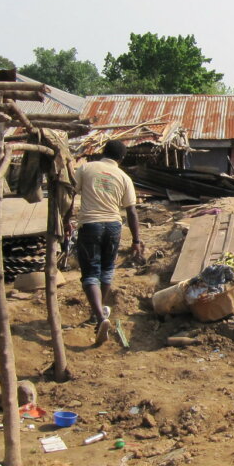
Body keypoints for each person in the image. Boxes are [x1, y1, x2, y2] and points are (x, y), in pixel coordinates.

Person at [71, 140, 144, 344]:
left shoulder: (86, 168)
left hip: (90, 224)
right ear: (121, 159)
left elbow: (70, 193)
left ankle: (100, 316)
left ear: (103, 152)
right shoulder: (124, 177)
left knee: (90, 272)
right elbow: (131, 211)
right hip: (113, 226)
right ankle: (98, 312)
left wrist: (65, 219)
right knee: (107, 270)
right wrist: (136, 240)